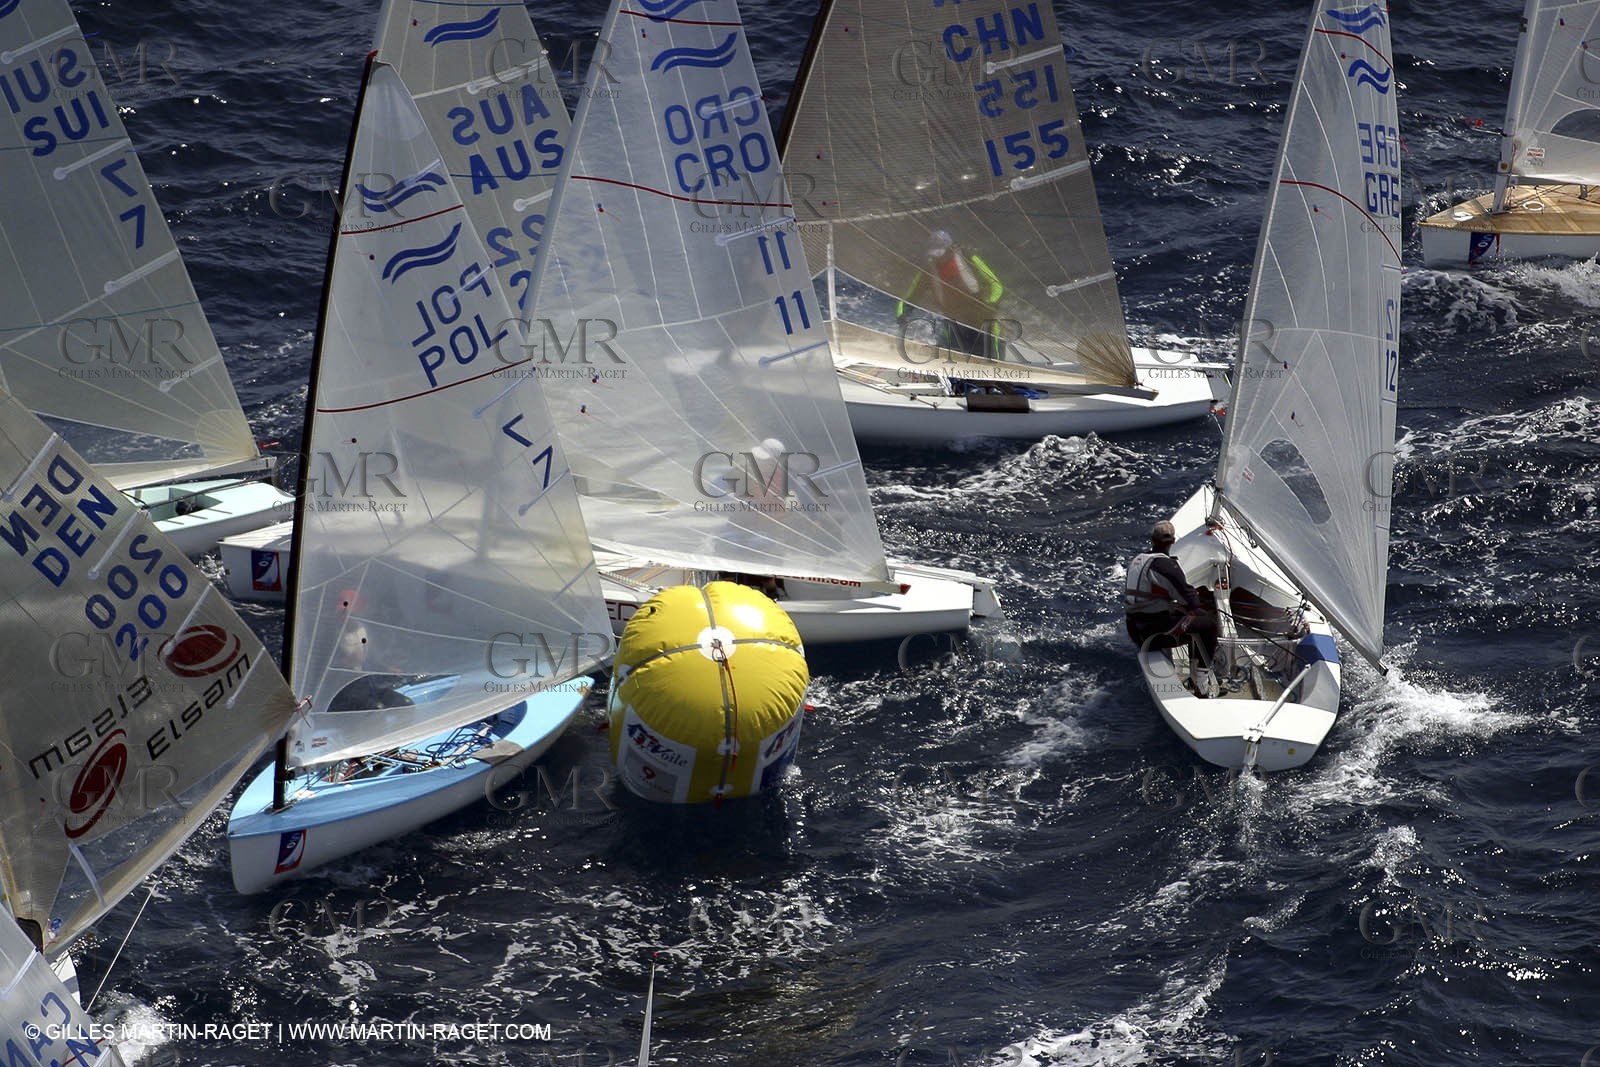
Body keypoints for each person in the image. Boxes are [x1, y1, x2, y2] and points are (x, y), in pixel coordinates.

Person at [1125, 520, 1221, 697]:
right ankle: (1201, 685)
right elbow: (1192, 603)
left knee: (1192, 620)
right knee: (1208, 625)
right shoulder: (1167, 566)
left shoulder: (1138, 560)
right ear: (1173, 542)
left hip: (1134, 629)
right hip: (1153, 635)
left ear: (1152, 540)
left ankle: (1195, 675)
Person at [896, 229, 1005, 360]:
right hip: (955, 323)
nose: (940, 259)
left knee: (990, 363)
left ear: (950, 248)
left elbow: (996, 285)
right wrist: (902, 314)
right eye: (935, 255)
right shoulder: (928, 272)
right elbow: (910, 297)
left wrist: (989, 303)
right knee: (950, 362)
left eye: (942, 253)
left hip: (982, 321)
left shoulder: (968, 258)